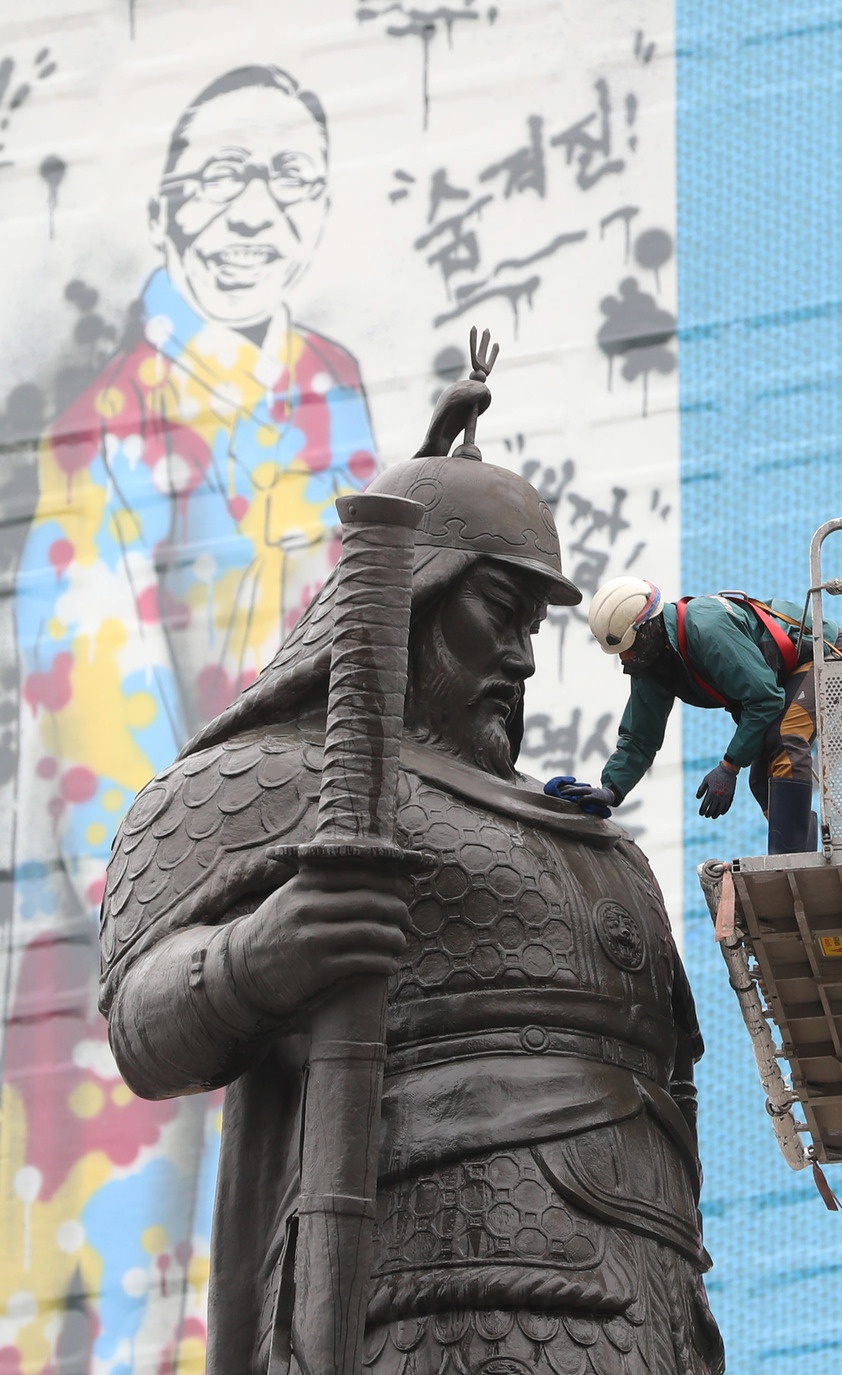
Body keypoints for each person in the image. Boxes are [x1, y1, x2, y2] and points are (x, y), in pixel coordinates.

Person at [100, 377, 725, 1375]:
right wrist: (262, 955)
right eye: (499, 611)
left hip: (645, 1310)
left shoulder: (586, 840)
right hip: (431, 1292)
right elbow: (145, 1024)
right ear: (415, 594)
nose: (523, 659)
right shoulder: (279, 776)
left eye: (533, 626)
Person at [4, 65, 378, 1372]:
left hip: (294, 939)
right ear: (166, 212)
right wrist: (205, 928)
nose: (253, 209)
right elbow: (83, 697)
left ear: (320, 208)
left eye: (285, 177)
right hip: (137, 943)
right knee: (114, 1318)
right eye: (221, 177)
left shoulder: (333, 391)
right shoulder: (103, 436)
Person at [550, 578, 842, 853]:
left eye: (629, 649)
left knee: (784, 740)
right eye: (621, 653)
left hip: (823, 652)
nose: (626, 659)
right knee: (762, 780)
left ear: (649, 626)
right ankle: (797, 855)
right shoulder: (652, 660)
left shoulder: (706, 629)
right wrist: (610, 789)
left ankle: (794, 862)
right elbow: (640, 738)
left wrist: (729, 766)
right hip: (782, 678)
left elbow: (764, 699)